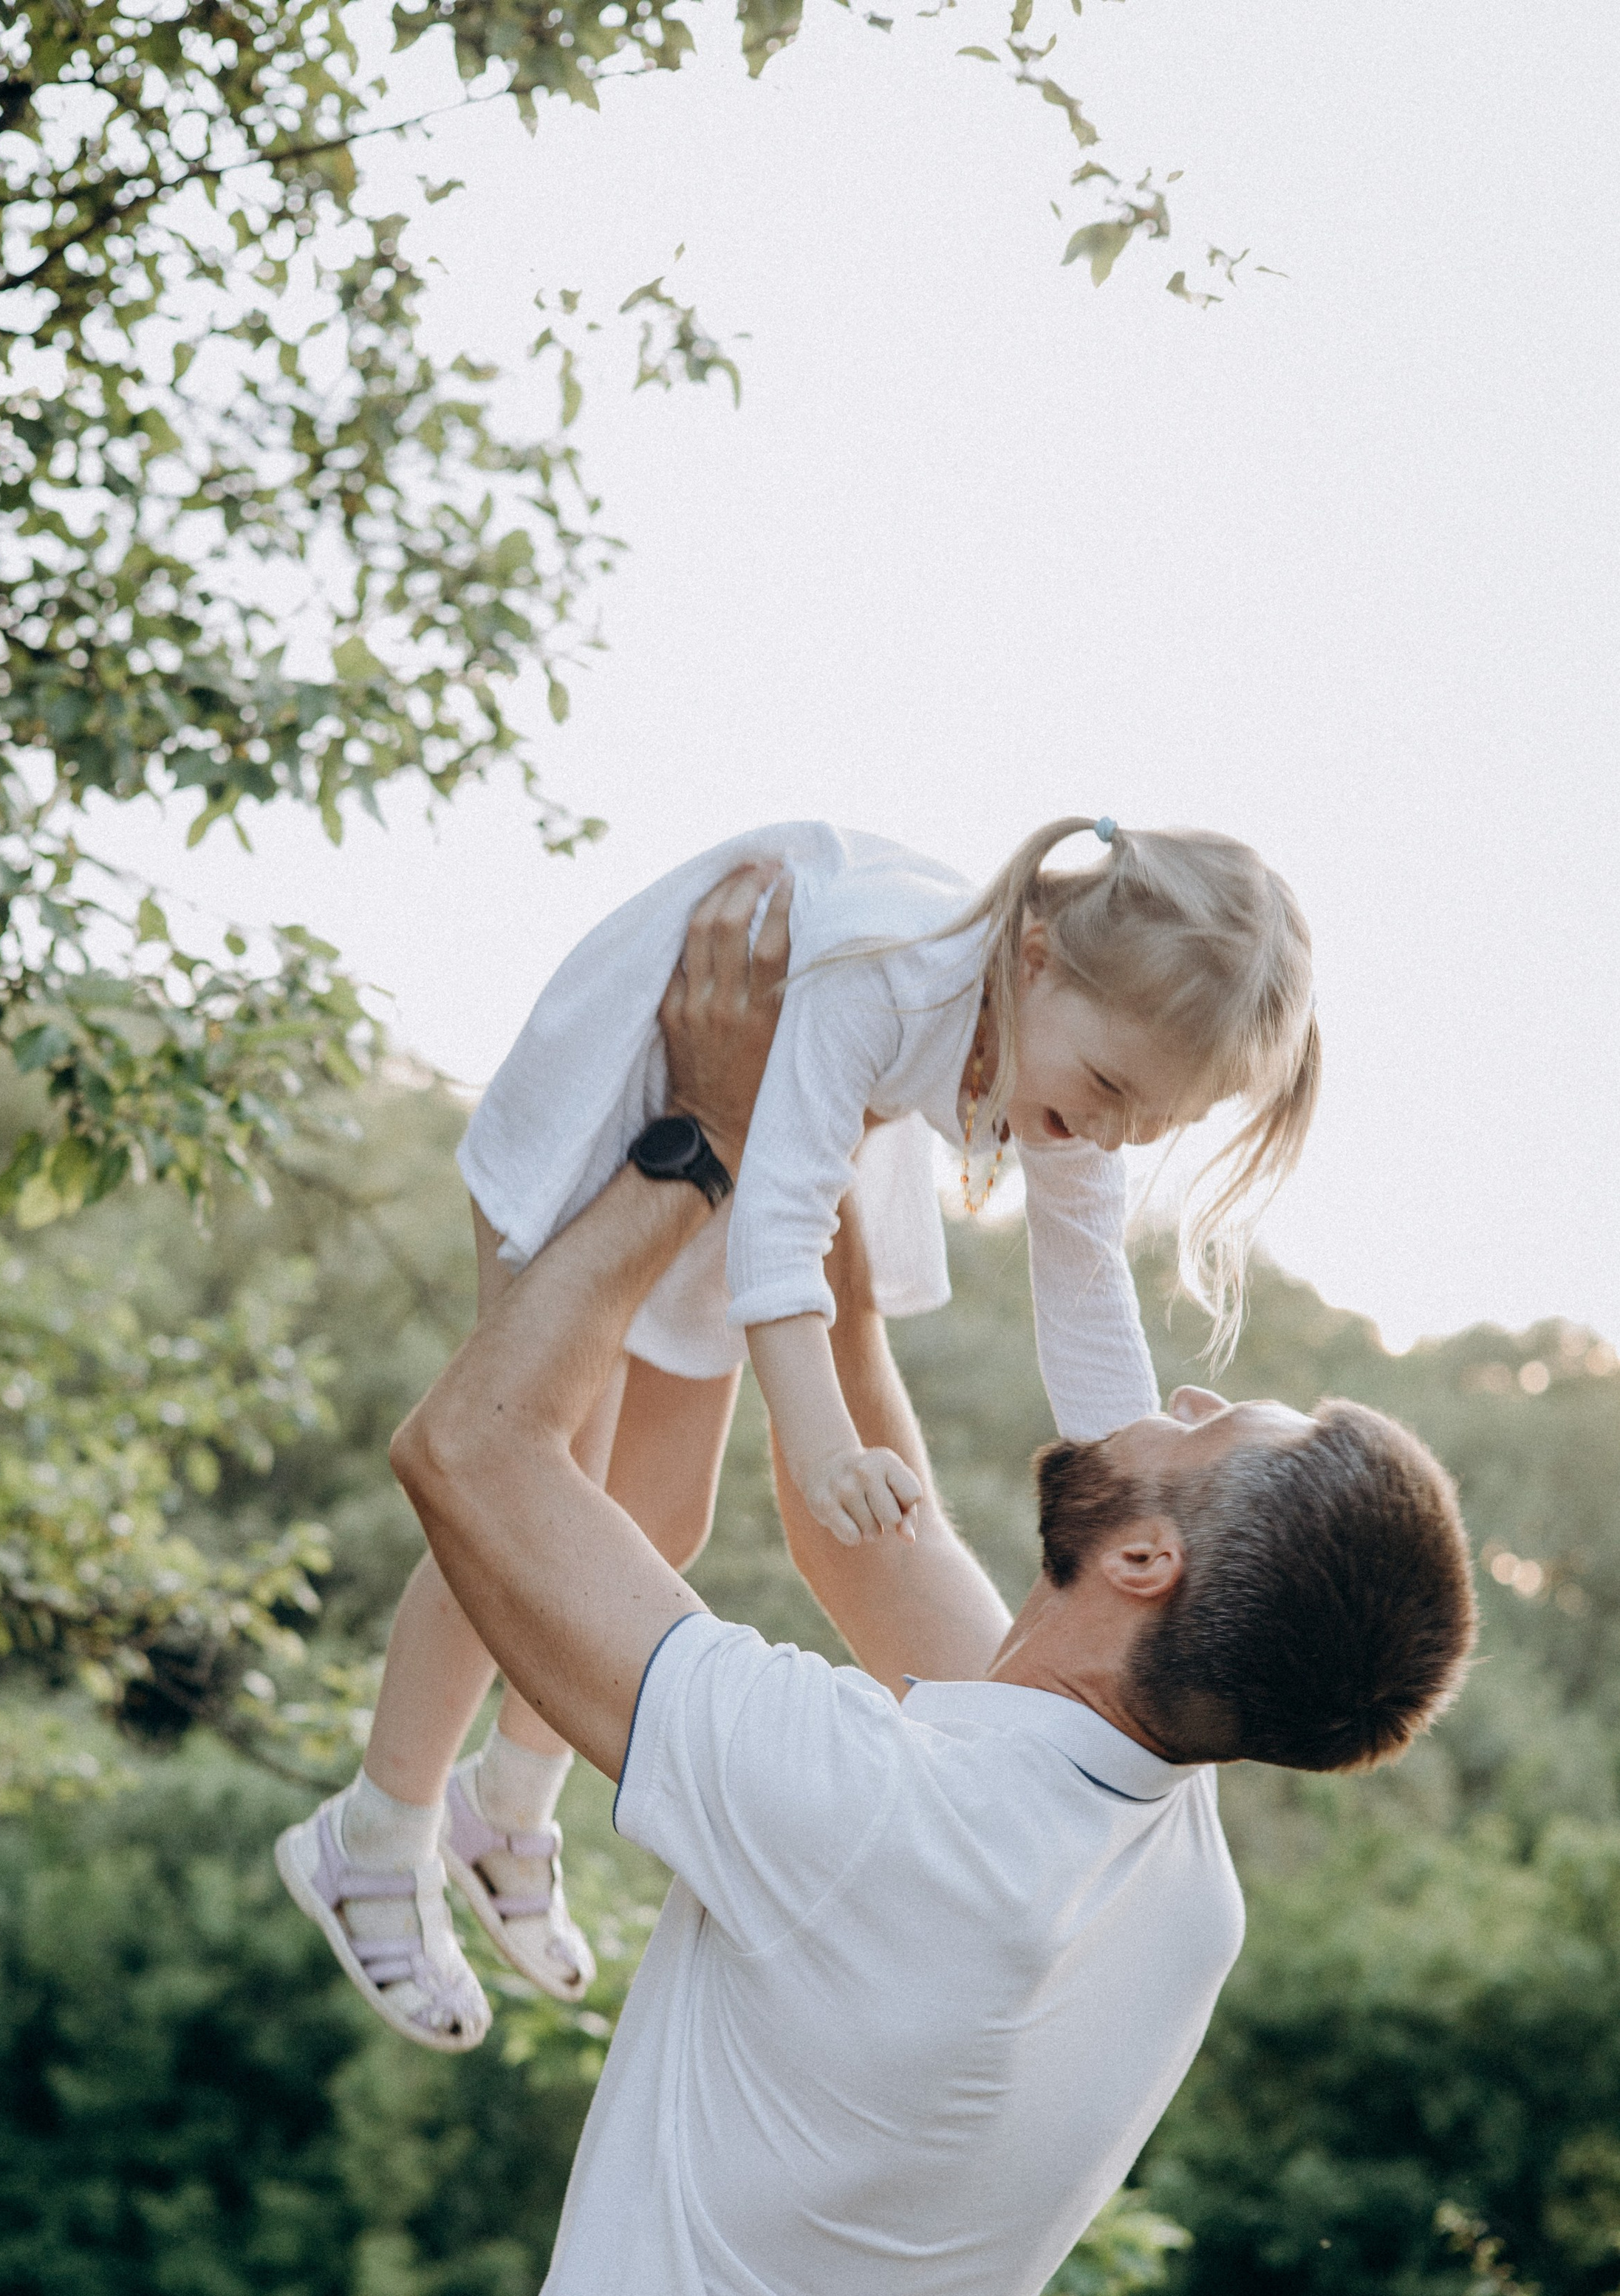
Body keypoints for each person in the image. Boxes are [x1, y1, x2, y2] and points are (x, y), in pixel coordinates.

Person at [244, 869, 1473, 2296]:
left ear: (1148, 1559)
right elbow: (849, 1527)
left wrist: (694, 1148)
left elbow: (473, 1454)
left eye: (1226, 1418)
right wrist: (828, 1129)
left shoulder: (873, 1817)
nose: (1187, 1385)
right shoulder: (1169, 1863)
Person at [278, 815, 1319, 2051]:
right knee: (538, 1486)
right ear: (1033, 956)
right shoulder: (887, 971)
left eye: (1147, 1127)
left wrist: (1142, 1493)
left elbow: (1087, 1291)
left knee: (662, 1519)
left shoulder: (1072, 1074)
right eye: (1103, 1093)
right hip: (640, 1097)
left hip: (777, 1137)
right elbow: (778, 1222)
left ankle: (503, 1807)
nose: (1104, 1137)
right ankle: (376, 1831)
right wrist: (823, 1443)